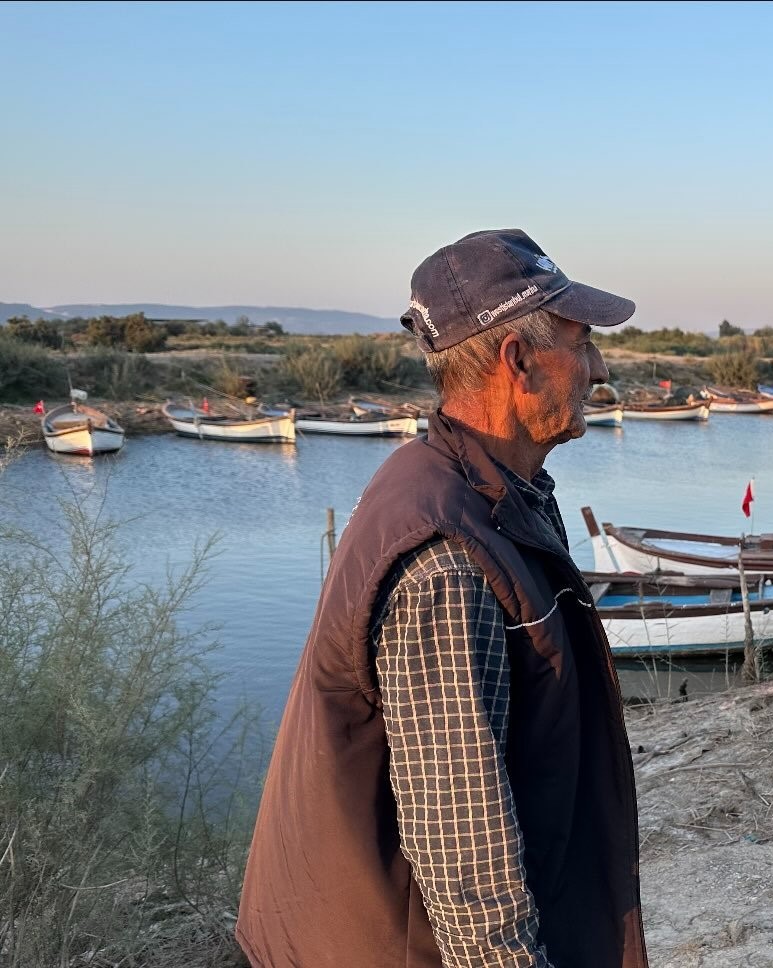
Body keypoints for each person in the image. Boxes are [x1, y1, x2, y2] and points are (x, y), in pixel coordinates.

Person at [237, 230, 649, 968]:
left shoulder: (476, 488)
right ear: (516, 361)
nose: (600, 367)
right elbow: (469, 871)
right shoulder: (446, 564)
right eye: (581, 343)